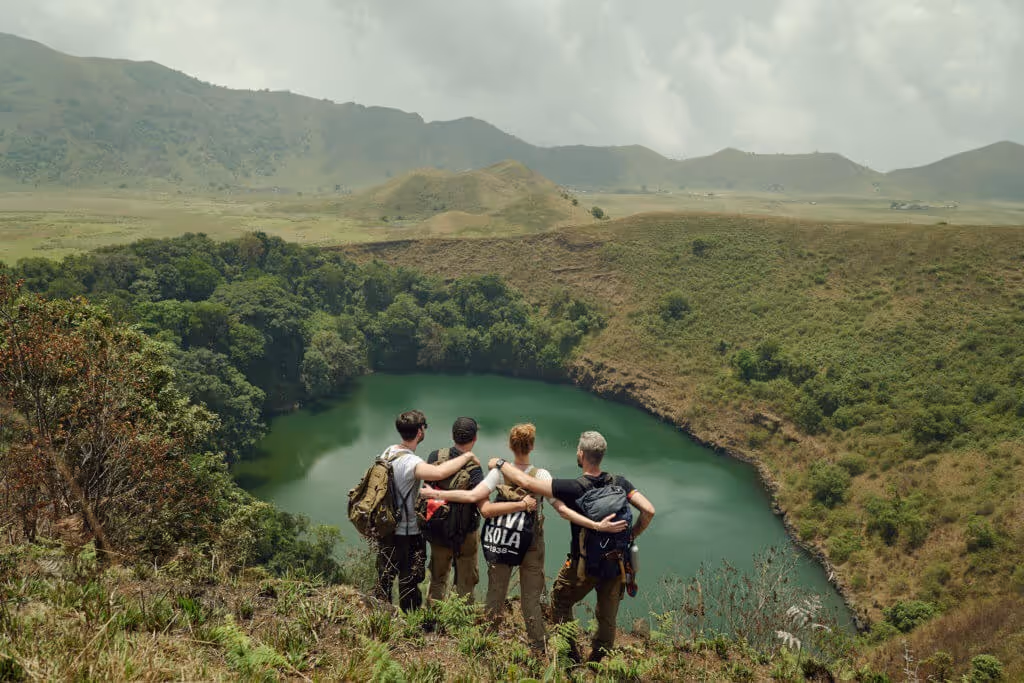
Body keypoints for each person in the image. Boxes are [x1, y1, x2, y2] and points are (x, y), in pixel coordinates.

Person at [421, 423, 627, 654]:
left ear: (510, 445)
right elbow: (560, 508)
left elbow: (480, 504)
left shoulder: (497, 473)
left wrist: (436, 493)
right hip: (531, 545)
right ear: (532, 446)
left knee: (495, 596)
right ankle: (539, 649)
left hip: (501, 541)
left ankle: (483, 647)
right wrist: (596, 525)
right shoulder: (541, 475)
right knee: (531, 601)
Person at [489, 430, 655, 662]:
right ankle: (598, 660)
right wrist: (630, 535)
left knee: (561, 600)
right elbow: (649, 511)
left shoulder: (574, 487)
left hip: (583, 565)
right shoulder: (621, 483)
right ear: (601, 455)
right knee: (608, 617)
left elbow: (525, 481)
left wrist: (499, 462)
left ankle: (570, 654)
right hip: (617, 563)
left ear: (581, 454)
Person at [374, 410, 479, 612]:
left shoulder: (389, 452)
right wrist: (468, 457)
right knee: (410, 582)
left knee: (385, 577)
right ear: (420, 431)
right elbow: (440, 472)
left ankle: (380, 618)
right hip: (406, 532)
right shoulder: (412, 462)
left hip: (386, 527)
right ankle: (410, 624)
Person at [424, 416, 486, 603]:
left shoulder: (435, 457)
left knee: (437, 577)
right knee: (466, 580)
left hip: (438, 528)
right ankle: (461, 623)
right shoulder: (474, 468)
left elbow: (427, 489)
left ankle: (432, 620)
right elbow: (482, 503)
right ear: (474, 439)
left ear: (453, 436)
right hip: (465, 532)